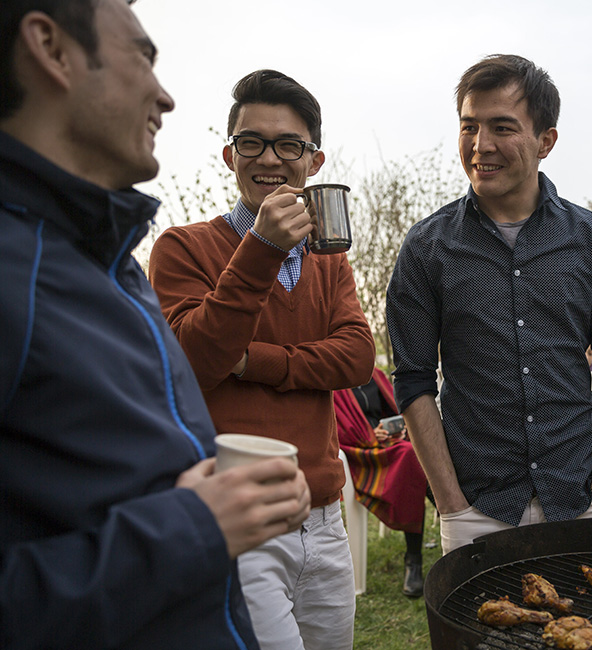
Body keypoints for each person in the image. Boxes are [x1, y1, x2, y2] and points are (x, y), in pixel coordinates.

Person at [0, 2, 312, 648]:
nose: (165, 97)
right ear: (51, 50)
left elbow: (355, 355)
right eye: (144, 57)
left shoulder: (110, 260)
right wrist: (194, 527)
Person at [148, 70, 375, 649]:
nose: (269, 158)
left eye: (289, 145)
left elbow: (356, 358)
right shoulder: (182, 247)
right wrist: (262, 250)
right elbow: (195, 362)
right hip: (239, 520)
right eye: (252, 142)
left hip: (324, 516)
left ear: (314, 162)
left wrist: (251, 362)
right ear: (229, 154)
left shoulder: (329, 260)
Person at [386, 54, 592, 555]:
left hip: (580, 494)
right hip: (475, 506)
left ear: (546, 140)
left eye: (502, 127)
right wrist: (451, 503)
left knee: (587, 633)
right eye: (469, 127)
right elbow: (412, 379)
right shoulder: (425, 248)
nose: (481, 146)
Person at [333, 368, 428, 597]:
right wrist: (370, 435)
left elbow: (394, 411)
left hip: (389, 446)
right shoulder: (334, 380)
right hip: (359, 455)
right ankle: (413, 559)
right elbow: (334, 430)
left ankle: (417, 555)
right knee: (412, 457)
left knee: (419, 451)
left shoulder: (374, 375)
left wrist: (398, 430)